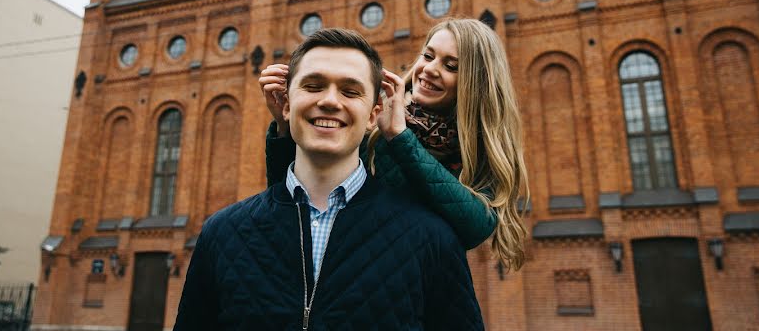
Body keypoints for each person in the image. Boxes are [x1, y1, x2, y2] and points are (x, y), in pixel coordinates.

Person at [173, 28, 483, 330]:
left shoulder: (434, 239)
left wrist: (399, 136)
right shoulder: (222, 234)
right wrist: (283, 132)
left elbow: (478, 221)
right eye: (313, 86)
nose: (330, 101)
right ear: (285, 102)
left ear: (375, 113)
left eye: (350, 91)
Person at [261, 18, 529, 268]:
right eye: (428, 55)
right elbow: (294, 203)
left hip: (413, 282)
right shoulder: (376, 115)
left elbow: (476, 226)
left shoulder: (477, 145)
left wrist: (401, 139)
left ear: (475, 82)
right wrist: (284, 127)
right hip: (346, 268)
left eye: (450, 66)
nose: (430, 70)